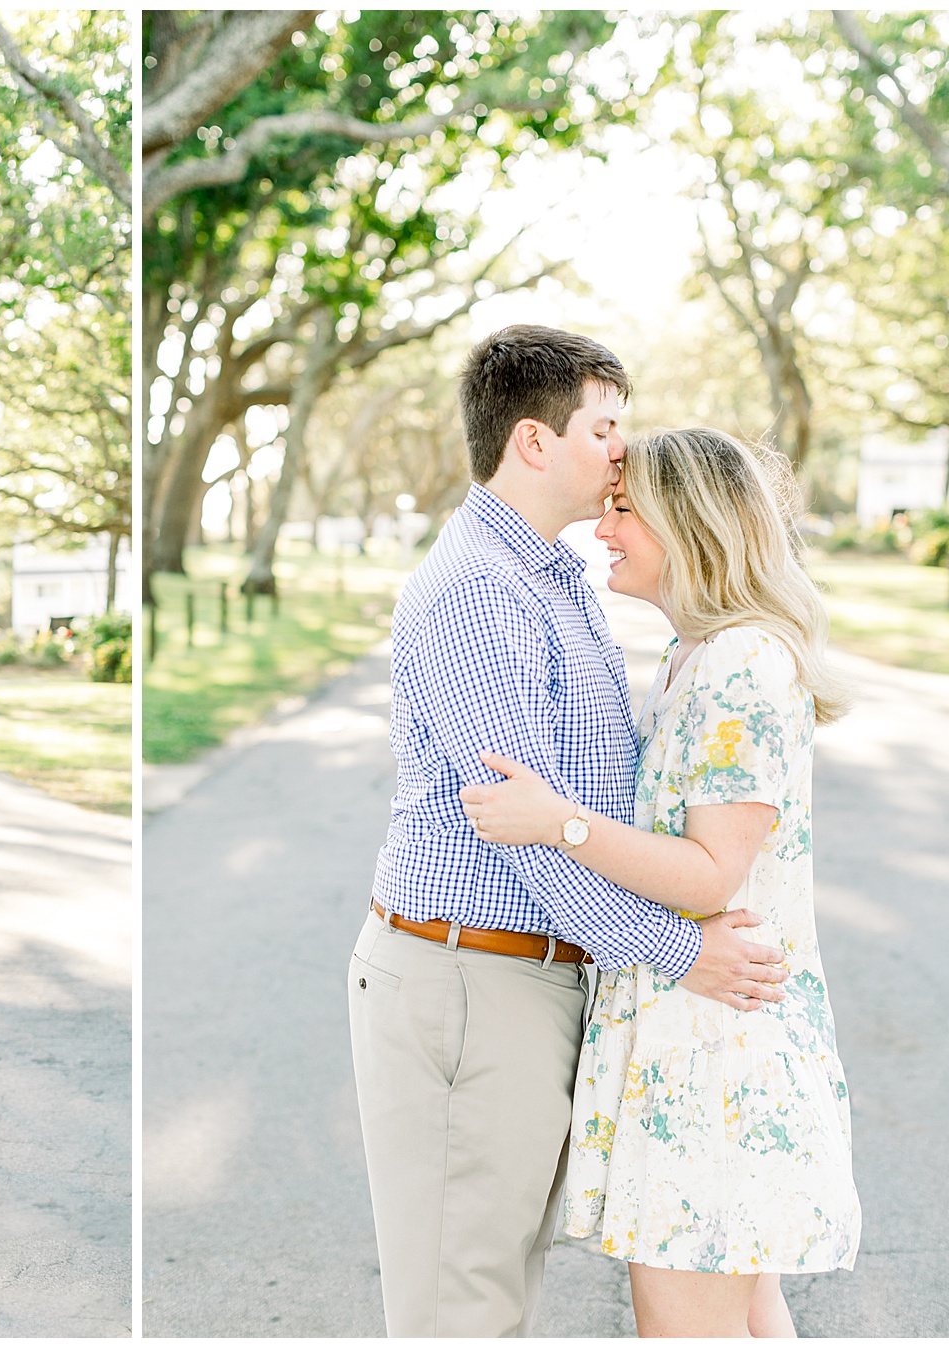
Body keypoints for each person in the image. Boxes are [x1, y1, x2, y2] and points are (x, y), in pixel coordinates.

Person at [348, 325, 791, 1338]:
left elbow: (583, 809)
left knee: (498, 1283)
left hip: (536, 976)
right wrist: (683, 951)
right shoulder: (478, 591)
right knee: (465, 1308)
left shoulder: (553, 578)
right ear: (534, 442)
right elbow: (525, 833)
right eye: (604, 428)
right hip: (471, 976)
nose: (621, 450)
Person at [459, 426, 861, 1336]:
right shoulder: (696, 655)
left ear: (692, 524)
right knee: (748, 1322)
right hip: (696, 1034)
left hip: (718, 1051)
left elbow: (714, 872)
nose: (602, 530)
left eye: (625, 510)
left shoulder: (741, 662)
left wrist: (556, 822)